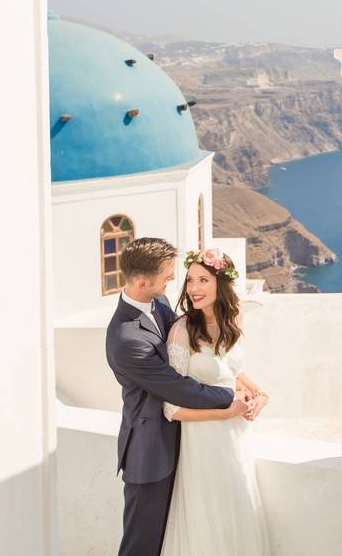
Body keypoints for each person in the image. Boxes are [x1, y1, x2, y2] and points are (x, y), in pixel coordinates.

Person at [105, 238, 251, 556]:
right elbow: (177, 387)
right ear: (143, 281)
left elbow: (193, 352)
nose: (174, 279)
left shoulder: (158, 304)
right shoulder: (126, 338)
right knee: (142, 545)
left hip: (189, 445)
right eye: (167, 274)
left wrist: (247, 384)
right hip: (151, 451)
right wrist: (231, 398)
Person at [160, 248, 270, 555]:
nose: (193, 288)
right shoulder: (182, 331)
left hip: (236, 438)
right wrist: (226, 413)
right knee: (209, 519)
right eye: (190, 280)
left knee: (238, 508)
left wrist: (260, 395)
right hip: (205, 441)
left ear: (220, 284)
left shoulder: (232, 321)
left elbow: (231, 371)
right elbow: (171, 408)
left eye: (203, 280)